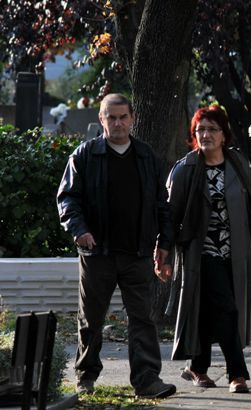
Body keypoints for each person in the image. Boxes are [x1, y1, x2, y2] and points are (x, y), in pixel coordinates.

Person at [56, 93, 176, 398]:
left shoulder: (146, 156)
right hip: (97, 253)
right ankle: (85, 377)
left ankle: (147, 380)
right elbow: (67, 199)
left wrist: (164, 243)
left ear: (133, 118)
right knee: (91, 319)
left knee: (143, 319)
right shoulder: (84, 155)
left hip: (138, 252)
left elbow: (162, 204)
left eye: (123, 117)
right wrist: (79, 230)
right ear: (101, 119)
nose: (118, 123)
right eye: (112, 117)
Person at [164, 106, 251, 393]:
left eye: (212, 129)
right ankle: (237, 373)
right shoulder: (186, 169)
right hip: (202, 253)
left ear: (224, 135)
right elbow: (170, 215)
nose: (205, 135)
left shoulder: (238, 164)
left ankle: (197, 367)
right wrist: (162, 250)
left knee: (209, 311)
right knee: (227, 309)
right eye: (200, 130)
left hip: (237, 252)